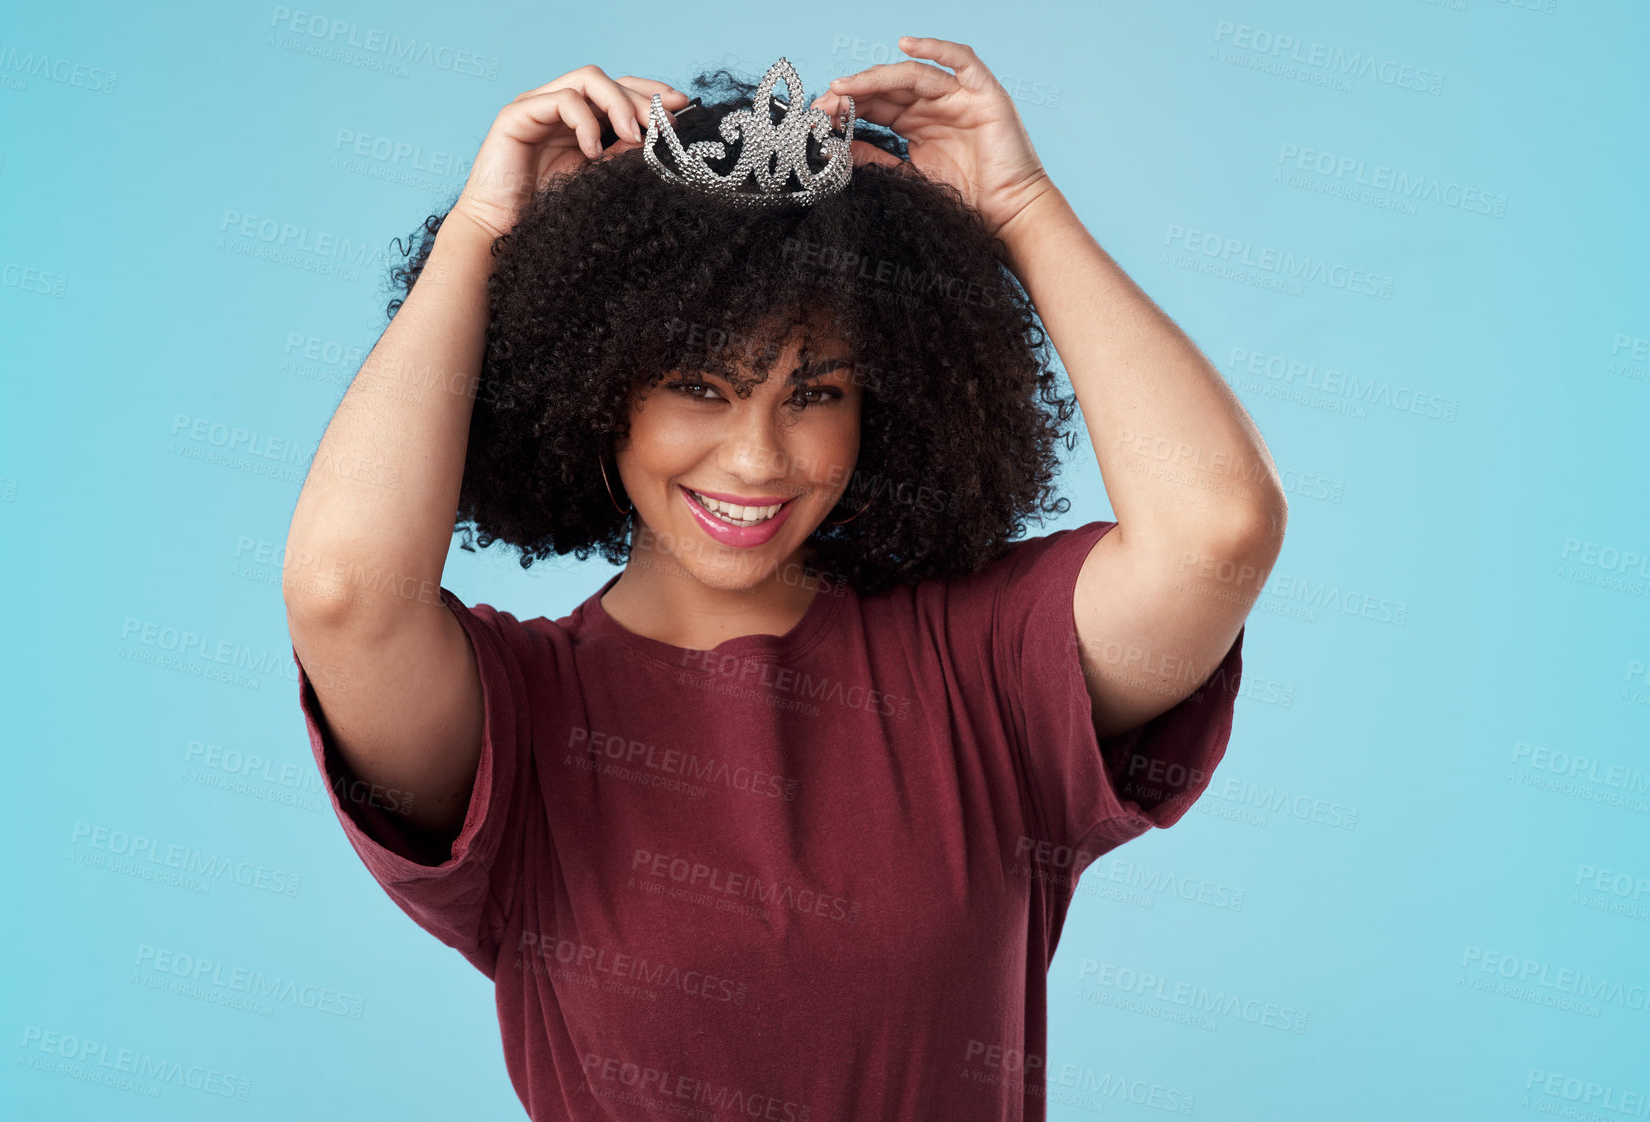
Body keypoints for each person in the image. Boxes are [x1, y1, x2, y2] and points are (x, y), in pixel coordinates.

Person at [283, 40, 1286, 1122]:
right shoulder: (521, 722)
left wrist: (1019, 205)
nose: (758, 458)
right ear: (592, 388)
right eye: (698, 387)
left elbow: (1216, 532)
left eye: (814, 393)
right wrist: (480, 242)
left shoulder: (981, 666)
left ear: (883, 402)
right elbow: (344, 591)